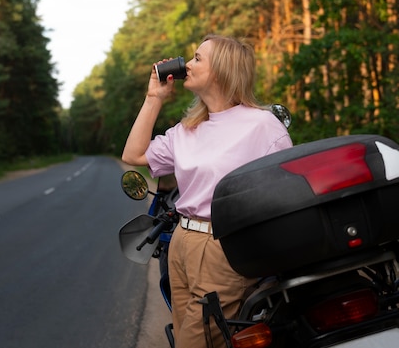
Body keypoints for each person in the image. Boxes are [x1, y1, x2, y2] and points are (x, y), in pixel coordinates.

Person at [122, 34, 293, 348]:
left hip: (223, 245)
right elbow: (133, 156)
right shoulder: (188, 128)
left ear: (222, 70)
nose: (187, 64)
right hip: (181, 243)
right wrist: (154, 98)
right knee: (191, 333)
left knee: (197, 341)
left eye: (197, 58)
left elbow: (284, 193)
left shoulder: (262, 126)